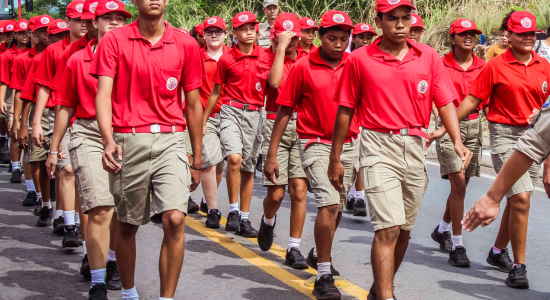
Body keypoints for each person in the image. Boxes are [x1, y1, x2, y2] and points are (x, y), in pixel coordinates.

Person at [330, 0, 472, 299]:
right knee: (387, 229)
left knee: (404, 230)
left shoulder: (428, 57)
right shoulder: (360, 59)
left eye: (405, 18)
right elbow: (345, 108)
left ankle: (381, 288)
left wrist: (457, 141)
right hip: (377, 144)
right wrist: (336, 155)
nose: (399, 24)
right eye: (391, 18)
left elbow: (445, 102)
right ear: (378, 20)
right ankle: (386, 296)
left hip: (415, 145)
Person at [428, 10, 549, 289]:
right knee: (520, 199)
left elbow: (547, 115)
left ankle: (497, 252)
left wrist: (548, 163)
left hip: (537, 138)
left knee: (520, 198)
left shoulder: (545, 66)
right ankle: (519, 266)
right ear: (509, 35)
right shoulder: (494, 66)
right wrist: (443, 129)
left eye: (533, 34)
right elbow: (471, 101)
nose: (529, 38)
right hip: (505, 137)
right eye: (522, 33)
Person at [92, 0, 204, 296]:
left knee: (175, 218)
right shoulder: (114, 39)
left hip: (171, 139)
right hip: (128, 140)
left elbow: (193, 103)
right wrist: (108, 139)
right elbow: (103, 95)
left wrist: (197, 157)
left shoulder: (185, 43)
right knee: (128, 226)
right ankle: (130, 293)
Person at [268, 10, 356, 299]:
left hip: (349, 145)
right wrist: (271, 153)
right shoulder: (303, 66)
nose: (339, 44)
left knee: (338, 209)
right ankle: (323, 274)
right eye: (332, 38)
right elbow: (284, 109)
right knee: (329, 205)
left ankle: (318, 253)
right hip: (315, 143)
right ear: (320, 37)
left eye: (344, 38)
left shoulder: (355, 65)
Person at [47, 2, 130, 298]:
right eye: (108, 18)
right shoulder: (76, 60)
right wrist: (54, 148)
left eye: (120, 18)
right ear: (95, 23)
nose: (115, 23)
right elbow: (65, 105)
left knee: (123, 212)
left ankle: (112, 262)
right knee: (99, 207)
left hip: (127, 134)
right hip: (88, 133)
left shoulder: (134, 57)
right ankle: (97, 281)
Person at [428, 18, 486, 268]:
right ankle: (458, 245)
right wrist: (438, 125)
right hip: (449, 127)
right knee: (459, 184)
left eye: (472, 33)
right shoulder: (440, 65)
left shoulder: (484, 66)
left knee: (461, 187)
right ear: (452, 39)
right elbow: (432, 97)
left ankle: (442, 229)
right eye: (463, 34)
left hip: (475, 126)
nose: (469, 37)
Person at [256, 12, 310, 269]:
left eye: (295, 38)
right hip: (274, 124)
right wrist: (280, 51)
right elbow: (275, 82)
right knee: (276, 194)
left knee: (299, 189)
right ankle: (268, 221)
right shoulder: (264, 57)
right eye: (285, 38)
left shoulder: (307, 60)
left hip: (302, 126)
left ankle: (293, 247)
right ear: (274, 39)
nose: (292, 44)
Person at [205, 11, 265, 237]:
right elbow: (215, 92)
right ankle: (232, 210)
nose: (248, 32)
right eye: (243, 28)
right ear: (235, 33)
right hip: (230, 110)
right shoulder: (227, 59)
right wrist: (203, 121)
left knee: (248, 168)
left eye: (252, 28)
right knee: (234, 158)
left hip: (256, 114)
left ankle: (245, 217)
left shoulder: (265, 57)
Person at [31, 0, 86, 240]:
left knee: (82, 174)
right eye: (78, 20)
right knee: (68, 171)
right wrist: (34, 122)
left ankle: (72, 217)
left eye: (88, 20)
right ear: (68, 21)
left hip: (91, 117)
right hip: (60, 115)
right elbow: (43, 87)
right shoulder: (55, 51)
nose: (84, 24)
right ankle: (70, 225)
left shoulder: (102, 48)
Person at [18, 16, 57, 228]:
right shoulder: (35, 59)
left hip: (65, 113)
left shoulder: (77, 54)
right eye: (52, 34)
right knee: (41, 161)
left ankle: (64, 214)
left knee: (63, 169)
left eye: (63, 35)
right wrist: (23, 123)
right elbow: (27, 94)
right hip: (42, 114)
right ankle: (44, 202)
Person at [11, 16, 50, 216]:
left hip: (58, 111)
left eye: (49, 31)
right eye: (41, 31)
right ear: (31, 33)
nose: (47, 35)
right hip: (34, 110)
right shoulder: (24, 59)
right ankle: (34, 191)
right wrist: (17, 120)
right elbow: (20, 91)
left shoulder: (62, 54)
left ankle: (58, 208)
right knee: (35, 157)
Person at [197, 16, 230, 228]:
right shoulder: (195, 57)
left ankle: (207, 200)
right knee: (208, 163)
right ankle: (213, 210)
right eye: (210, 31)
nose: (214, 35)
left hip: (230, 117)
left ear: (226, 34)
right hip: (204, 117)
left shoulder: (234, 56)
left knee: (220, 166)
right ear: (204, 35)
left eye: (218, 31)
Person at [0, 20, 30, 185]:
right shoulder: (7, 55)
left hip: (30, 94)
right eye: (20, 33)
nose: (24, 35)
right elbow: (4, 80)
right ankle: (16, 166)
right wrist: (2, 100)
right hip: (13, 94)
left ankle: (28, 174)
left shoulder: (34, 53)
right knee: (14, 133)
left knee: (27, 137)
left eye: (26, 32)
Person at [0, 21, 15, 165]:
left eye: (12, 34)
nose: (10, 37)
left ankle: (6, 147)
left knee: (8, 120)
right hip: (3, 86)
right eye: (7, 34)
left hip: (12, 88)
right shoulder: (3, 51)